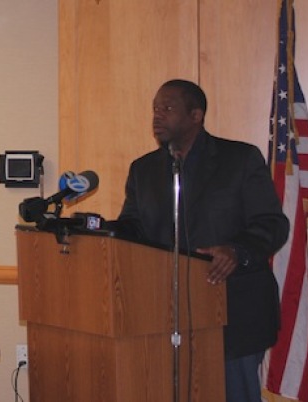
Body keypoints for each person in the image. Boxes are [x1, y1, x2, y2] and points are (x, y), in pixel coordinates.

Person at [115, 79, 290, 402]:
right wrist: (98, 232)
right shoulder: (144, 170)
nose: (157, 116)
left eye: (167, 108)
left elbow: (272, 224)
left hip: (232, 314)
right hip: (162, 315)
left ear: (196, 115)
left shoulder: (239, 159)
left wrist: (236, 250)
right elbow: (132, 229)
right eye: (155, 108)